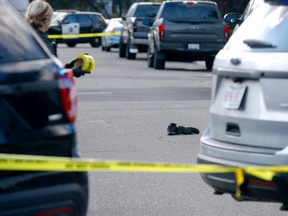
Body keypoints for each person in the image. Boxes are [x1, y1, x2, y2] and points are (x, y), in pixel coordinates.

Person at [25, 0, 92, 77]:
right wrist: (72, 73)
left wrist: (68, 66)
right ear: (46, 20)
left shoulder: (25, 36)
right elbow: (50, 75)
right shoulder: (43, 42)